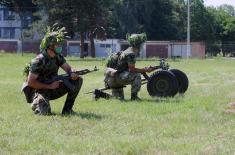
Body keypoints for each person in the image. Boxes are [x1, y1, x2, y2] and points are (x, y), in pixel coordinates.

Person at [25, 25, 83, 115]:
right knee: (45, 113)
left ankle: (67, 110)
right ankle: (37, 103)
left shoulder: (57, 57)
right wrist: (50, 86)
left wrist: (72, 72)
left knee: (78, 80)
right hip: (41, 90)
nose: (60, 46)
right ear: (50, 46)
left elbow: (68, 68)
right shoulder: (38, 61)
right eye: (57, 45)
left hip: (54, 87)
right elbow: (30, 82)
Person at [99, 33, 154, 101]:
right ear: (138, 44)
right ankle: (134, 97)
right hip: (117, 78)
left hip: (113, 78)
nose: (142, 46)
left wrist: (143, 70)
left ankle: (99, 94)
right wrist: (145, 70)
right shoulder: (131, 54)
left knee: (118, 100)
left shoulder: (127, 51)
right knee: (137, 75)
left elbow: (128, 68)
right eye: (141, 44)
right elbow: (132, 70)